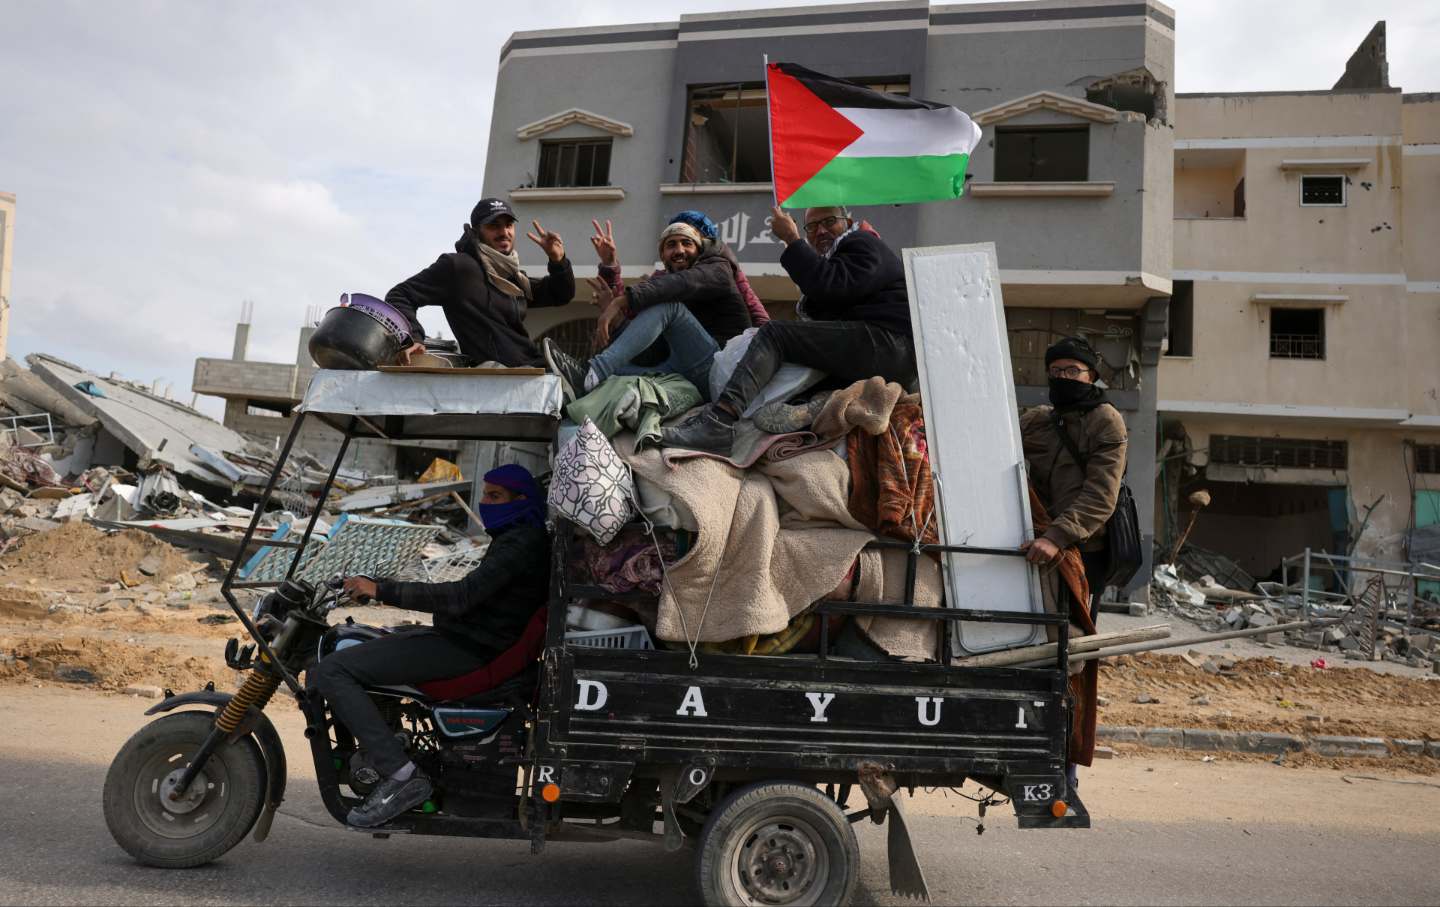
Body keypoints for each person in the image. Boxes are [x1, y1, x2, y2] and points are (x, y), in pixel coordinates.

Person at [312, 465, 550, 828]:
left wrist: (382, 590)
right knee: (360, 641)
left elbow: (461, 596)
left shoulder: (523, 542)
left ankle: (401, 776)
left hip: (470, 649)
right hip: (468, 638)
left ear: (522, 500)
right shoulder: (517, 536)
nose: (486, 503)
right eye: (484, 494)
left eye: (495, 496)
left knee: (333, 668)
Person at [660, 205, 916, 455]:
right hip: (881, 349)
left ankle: (718, 423)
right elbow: (827, 305)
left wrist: (792, 239)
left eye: (829, 222)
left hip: (888, 342)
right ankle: (809, 408)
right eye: (812, 227)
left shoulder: (860, 242)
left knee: (776, 334)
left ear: (848, 224)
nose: (821, 231)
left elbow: (830, 287)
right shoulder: (840, 260)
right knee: (803, 368)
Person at [542, 218, 751, 402]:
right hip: (681, 373)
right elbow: (649, 354)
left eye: (687, 243)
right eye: (671, 245)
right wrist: (616, 320)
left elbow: (682, 283)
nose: (679, 250)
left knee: (669, 307)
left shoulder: (717, 268)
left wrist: (620, 302)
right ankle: (577, 382)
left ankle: (592, 371)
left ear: (699, 250)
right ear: (663, 255)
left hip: (720, 369)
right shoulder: (667, 286)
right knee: (611, 377)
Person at [385, 198, 575, 367]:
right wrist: (412, 338)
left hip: (532, 370)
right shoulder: (458, 267)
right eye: (494, 226)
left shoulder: (513, 278)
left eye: (509, 225)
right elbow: (400, 295)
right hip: (499, 379)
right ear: (477, 232)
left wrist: (558, 261)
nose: (504, 232)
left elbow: (560, 294)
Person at [1018, 337, 1128, 615]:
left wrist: (1056, 537)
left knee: (1075, 635)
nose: (1063, 377)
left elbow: (1101, 496)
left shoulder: (1105, 420)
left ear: (1090, 376)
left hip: (1083, 547)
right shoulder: (1038, 419)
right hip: (1038, 541)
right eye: (1055, 371)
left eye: (1071, 371)